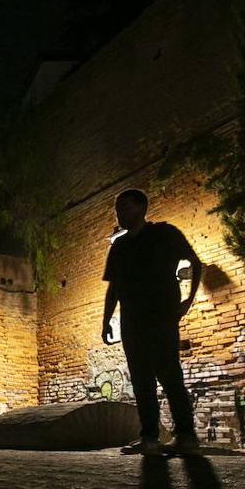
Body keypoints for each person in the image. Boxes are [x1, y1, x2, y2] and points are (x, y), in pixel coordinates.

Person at [101, 189, 202, 455]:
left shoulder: (164, 234)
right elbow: (113, 288)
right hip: (132, 321)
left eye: (126, 208)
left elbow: (195, 262)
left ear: (142, 208)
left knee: (170, 375)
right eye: (118, 209)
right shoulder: (120, 246)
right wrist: (106, 321)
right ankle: (149, 438)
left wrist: (188, 301)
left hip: (162, 316)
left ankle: (186, 437)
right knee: (141, 381)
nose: (121, 214)